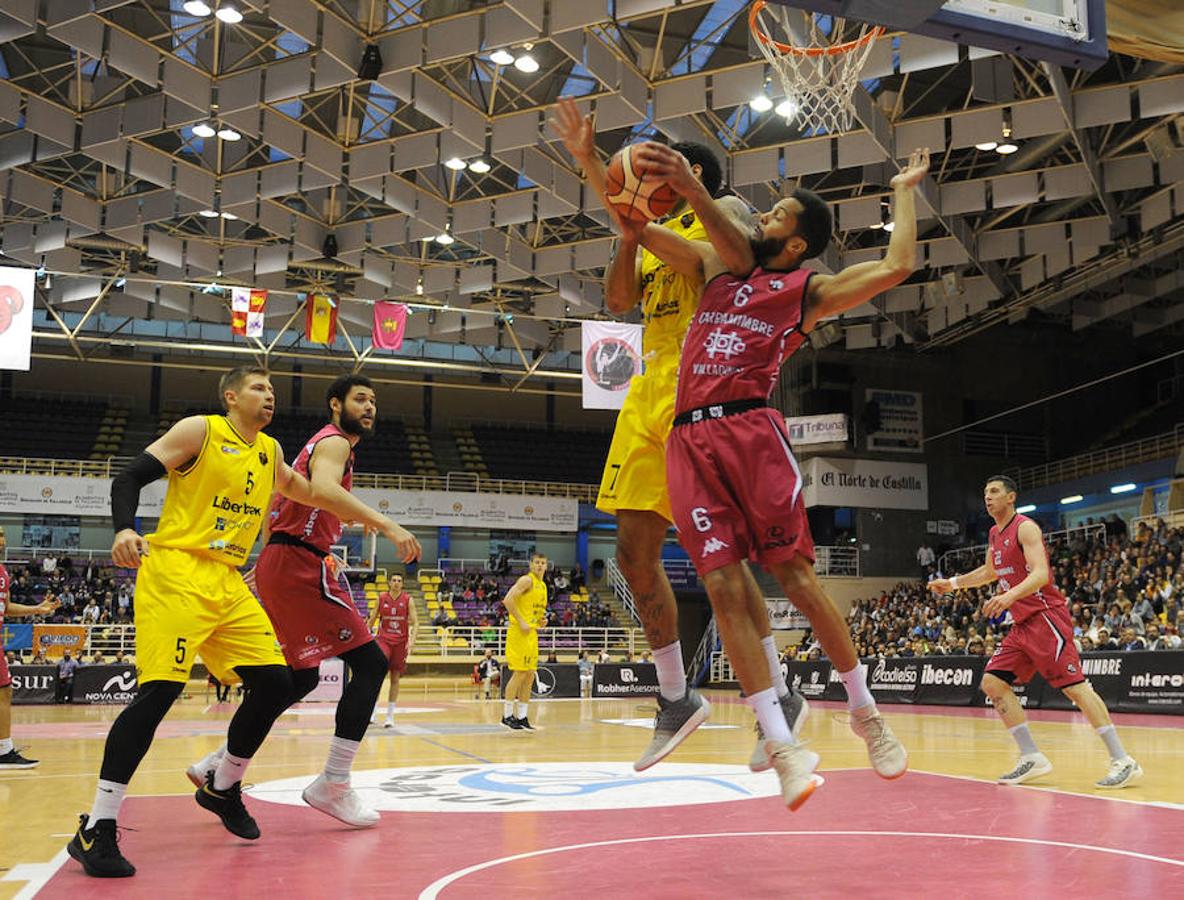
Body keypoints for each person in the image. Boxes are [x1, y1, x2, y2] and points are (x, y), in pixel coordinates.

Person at [623, 143, 928, 808]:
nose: (764, 216)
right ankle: (782, 746)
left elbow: (897, 265)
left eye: (778, 214)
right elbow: (638, 230)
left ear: (796, 243)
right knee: (723, 588)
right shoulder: (712, 266)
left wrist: (904, 191)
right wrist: (598, 169)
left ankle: (866, 712)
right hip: (688, 439)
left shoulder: (805, 291)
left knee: (796, 579)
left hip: (751, 432)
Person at [67, 366, 418, 879]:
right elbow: (129, 476)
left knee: (278, 682)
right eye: (258, 387)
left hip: (228, 580)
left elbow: (311, 494)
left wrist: (357, 523)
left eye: (272, 389)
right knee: (160, 693)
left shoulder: (270, 451)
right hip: (177, 572)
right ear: (231, 397)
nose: (269, 395)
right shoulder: (201, 430)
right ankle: (97, 826)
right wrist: (123, 528)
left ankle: (223, 784)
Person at [553, 99, 807, 771]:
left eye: (651, 170)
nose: (641, 180)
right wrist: (621, 221)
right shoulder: (649, 229)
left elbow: (718, 259)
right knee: (632, 553)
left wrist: (608, 184)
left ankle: (780, 692)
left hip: (704, 388)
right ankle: (674, 696)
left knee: (718, 556)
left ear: (684, 174)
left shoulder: (729, 216)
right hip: (647, 390)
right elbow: (617, 301)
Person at [244, 374, 419, 825]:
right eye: (360, 399)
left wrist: (274, 554)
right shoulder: (336, 442)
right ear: (335, 405)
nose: (370, 406)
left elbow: (282, 501)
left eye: (374, 400)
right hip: (296, 563)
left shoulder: (317, 445)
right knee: (372, 664)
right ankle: (334, 783)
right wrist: (387, 524)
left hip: (288, 558)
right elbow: (323, 490)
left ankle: (221, 763)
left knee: (299, 678)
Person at [931, 475, 1142, 789]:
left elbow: (1041, 574)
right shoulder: (994, 533)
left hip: (1046, 618)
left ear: (1011, 497)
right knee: (992, 682)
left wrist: (1008, 596)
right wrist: (953, 584)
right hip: (1022, 624)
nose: (988, 497)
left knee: (1075, 688)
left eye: (994, 491)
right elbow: (990, 572)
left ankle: (1123, 760)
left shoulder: (1025, 528)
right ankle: (1032, 756)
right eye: (985, 492)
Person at [0, 528, 60, 769]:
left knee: (4, 691)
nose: (2, 539)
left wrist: (37, 609)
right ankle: (4, 752)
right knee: (3, 691)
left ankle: (4, 750)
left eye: (3, 534)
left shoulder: (3, 571)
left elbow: (6, 607)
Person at [501, 554, 549, 730]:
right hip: (519, 632)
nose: (540, 565)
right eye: (537, 562)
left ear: (546, 566)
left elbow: (533, 611)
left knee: (529, 675)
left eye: (543, 563)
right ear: (531, 565)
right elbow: (508, 600)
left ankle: (522, 717)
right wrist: (521, 621)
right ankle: (507, 716)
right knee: (520, 673)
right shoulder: (526, 580)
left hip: (531, 633)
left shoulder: (542, 586)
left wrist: (541, 621)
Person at [369, 571, 418, 729]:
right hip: (383, 640)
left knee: (395, 678)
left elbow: (416, 622)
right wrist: (365, 636)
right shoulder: (381, 598)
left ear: (402, 584)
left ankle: (390, 716)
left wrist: (412, 641)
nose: (396, 582)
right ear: (389, 583)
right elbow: (372, 618)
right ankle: (372, 712)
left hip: (400, 642)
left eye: (399, 580)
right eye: (394, 580)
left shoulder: (408, 600)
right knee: (378, 674)